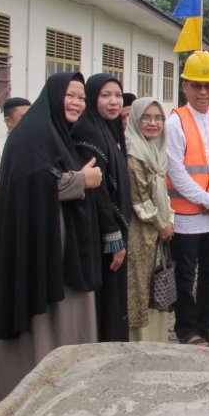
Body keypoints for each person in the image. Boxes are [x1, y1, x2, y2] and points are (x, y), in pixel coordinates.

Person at [0, 72, 102, 416]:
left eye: (81, 98)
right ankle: (22, 399)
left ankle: (59, 396)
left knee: (63, 319)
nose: (76, 103)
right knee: (36, 321)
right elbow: (33, 182)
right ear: (53, 96)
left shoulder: (57, 133)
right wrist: (81, 180)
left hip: (57, 246)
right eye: (70, 96)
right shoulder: (33, 135)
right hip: (32, 247)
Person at [165, 50, 209, 347]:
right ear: (185, 87)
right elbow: (176, 172)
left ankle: (207, 325)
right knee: (185, 276)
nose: (203, 92)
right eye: (196, 86)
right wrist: (207, 199)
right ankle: (186, 329)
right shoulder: (175, 123)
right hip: (187, 216)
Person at [72, 73, 132, 342]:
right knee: (106, 294)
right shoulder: (89, 132)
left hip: (112, 229)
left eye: (118, 95)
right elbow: (99, 191)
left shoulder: (111, 131)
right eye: (105, 95)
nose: (114, 101)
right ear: (93, 98)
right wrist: (113, 237)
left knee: (114, 295)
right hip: (99, 233)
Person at [125, 97, 174, 342]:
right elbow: (139, 200)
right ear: (135, 119)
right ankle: (140, 343)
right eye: (147, 117)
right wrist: (161, 224)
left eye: (158, 118)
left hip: (158, 230)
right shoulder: (133, 152)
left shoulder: (156, 151)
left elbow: (162, 192)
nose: (153, 123)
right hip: (140, 232)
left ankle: (157, 341)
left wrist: (170, 219)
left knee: (158, 283)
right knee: (141, 285)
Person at [0, 97, 31, 197]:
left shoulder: (40, 146)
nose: (30, 121)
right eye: (25, 117)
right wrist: (29, 187)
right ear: (8, 121)